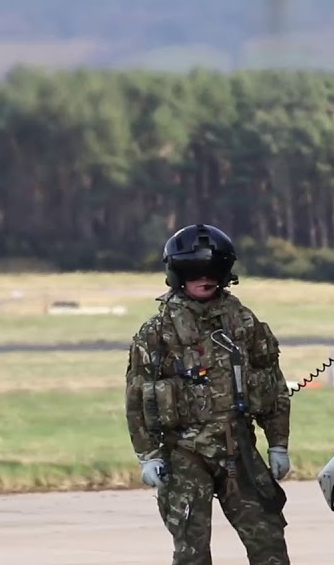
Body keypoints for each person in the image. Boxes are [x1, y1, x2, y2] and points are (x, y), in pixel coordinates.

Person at [125, 223, 291, 565]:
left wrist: (278, 443)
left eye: (214, 270)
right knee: (192, 550)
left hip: (238, 448)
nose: (206, 278)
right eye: (195, 271)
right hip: (185, 453)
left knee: (268, 539)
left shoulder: (244, 323)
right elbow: (138, 398)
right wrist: (148, 455)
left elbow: (272, 384)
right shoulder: (157, 333)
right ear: (178, 275)